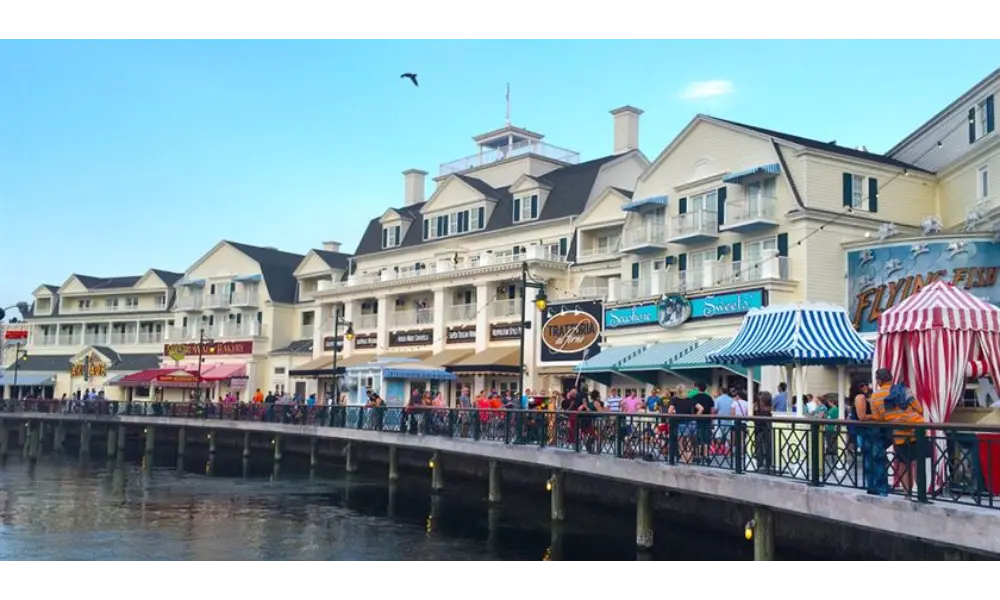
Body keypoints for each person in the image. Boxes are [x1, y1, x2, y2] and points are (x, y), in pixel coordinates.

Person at [869, 368, 925, 495]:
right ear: (891, 378)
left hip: (899, 433)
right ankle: (922, 493)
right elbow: (919, 408)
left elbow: (878, 418)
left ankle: (907, 493)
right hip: (917, 429)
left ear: (879, 381)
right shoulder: (904, 389)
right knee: (917, 463)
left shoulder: (875, 396)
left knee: (903, 464)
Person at [690, 382, 716, 463]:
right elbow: (712, 411)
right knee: (706, 439)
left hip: (697, 420)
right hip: (707, 420)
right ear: (705, 389)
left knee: (698, 438)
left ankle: (697, 456)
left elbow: (692, 409)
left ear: (698, 388)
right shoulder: (709, 398)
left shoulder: (694, 397)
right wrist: (712, 420)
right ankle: (706, 456)